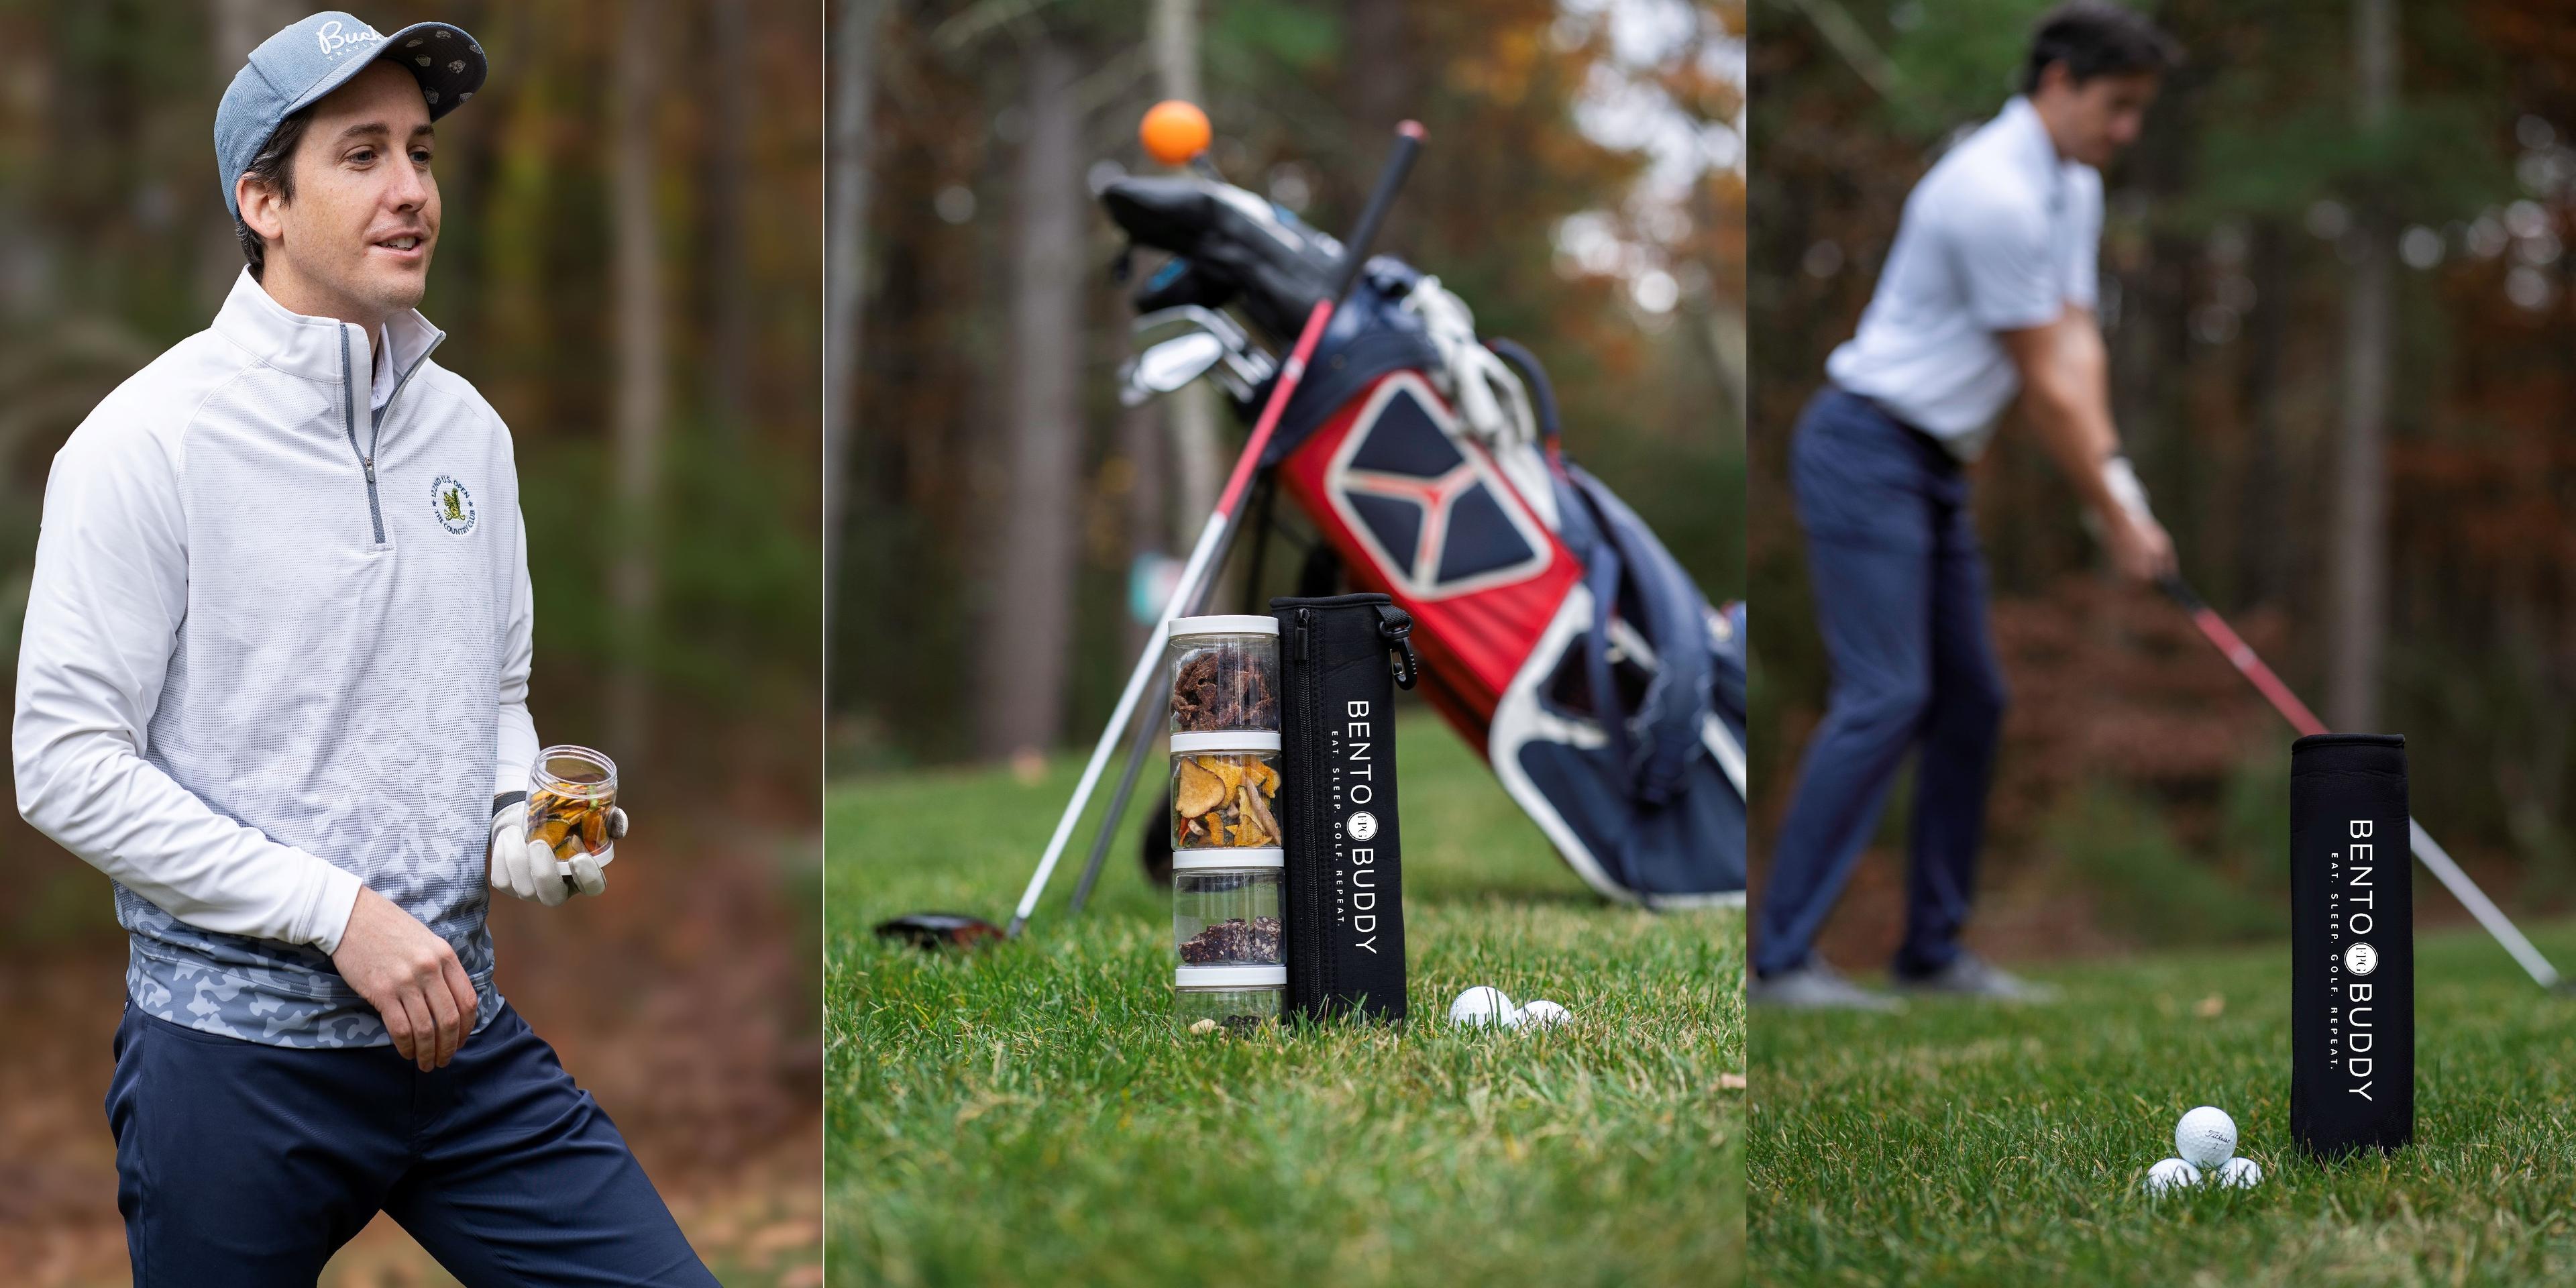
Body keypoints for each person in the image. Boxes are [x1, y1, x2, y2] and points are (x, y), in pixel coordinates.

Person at [11, 13, 716, 1283]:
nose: (410, 192)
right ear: (263, 201)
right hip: (233, 1077)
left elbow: (494, 693)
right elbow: (63, 765)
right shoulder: (144, 444)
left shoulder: (471, 436)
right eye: (362, 156)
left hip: (461, 1052)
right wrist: (338, 914)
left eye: (423, 154)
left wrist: (524, 824)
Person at [1751, 1, 2184, 1010]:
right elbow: (2044, 378)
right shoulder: (1988, 188)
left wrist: (2118, 488)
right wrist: (2117, 517)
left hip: (1935, 467)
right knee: (1887, 694)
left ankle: (1932, 952)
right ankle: (1778, 961)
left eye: (2140, 112)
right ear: (2059, 83)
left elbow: (2079, 342)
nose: (2127, 132)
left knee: (1973, 701)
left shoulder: (2069, 187)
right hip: (1865, 446)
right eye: (2117, 106)